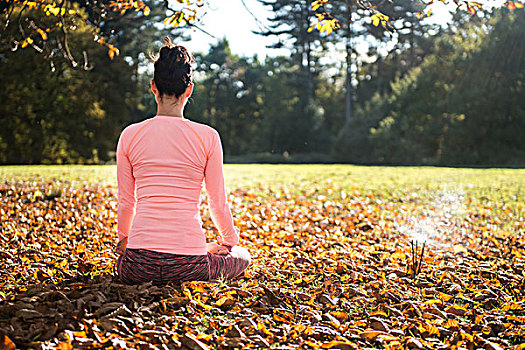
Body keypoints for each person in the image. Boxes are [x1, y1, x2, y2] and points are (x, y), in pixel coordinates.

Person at [115, 37, 250, 285]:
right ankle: (206, 248)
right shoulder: (208, 137)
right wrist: (229, 244)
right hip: (188, 266)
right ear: (189, 90)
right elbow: (217, 203)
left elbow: (126, 202)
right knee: (243, 257)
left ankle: (199, 247)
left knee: (122, 261)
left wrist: (125, 238)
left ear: (153, 86)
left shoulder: (129, 135)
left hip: (136, 267)